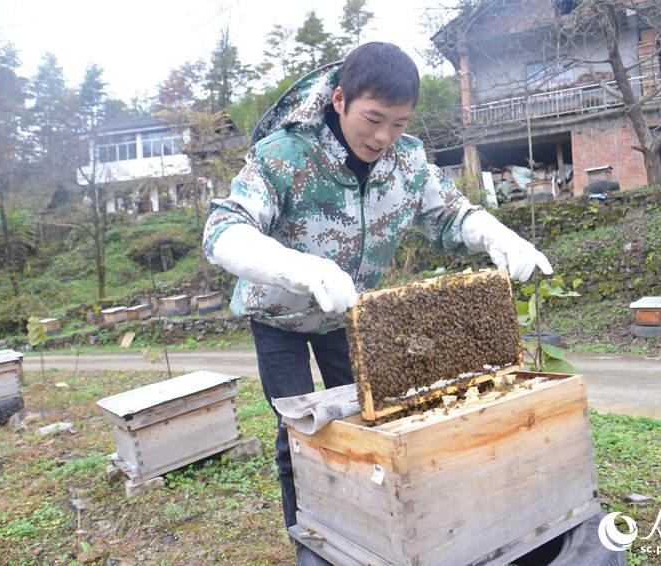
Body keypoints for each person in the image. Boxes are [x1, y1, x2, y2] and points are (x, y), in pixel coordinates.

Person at [203, 42, 552, 565]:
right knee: (298, 430)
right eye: (373, 119)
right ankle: (311, 541)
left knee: (369, 418)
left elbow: (449, 214)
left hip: (349, 315)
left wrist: (494, 234)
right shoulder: (283, 155)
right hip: (279, 316)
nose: (384, 137)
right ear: (340, 100)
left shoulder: (406, 161)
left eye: (399, 122)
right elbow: (223, 230)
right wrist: (300, 268)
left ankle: (369, 527)